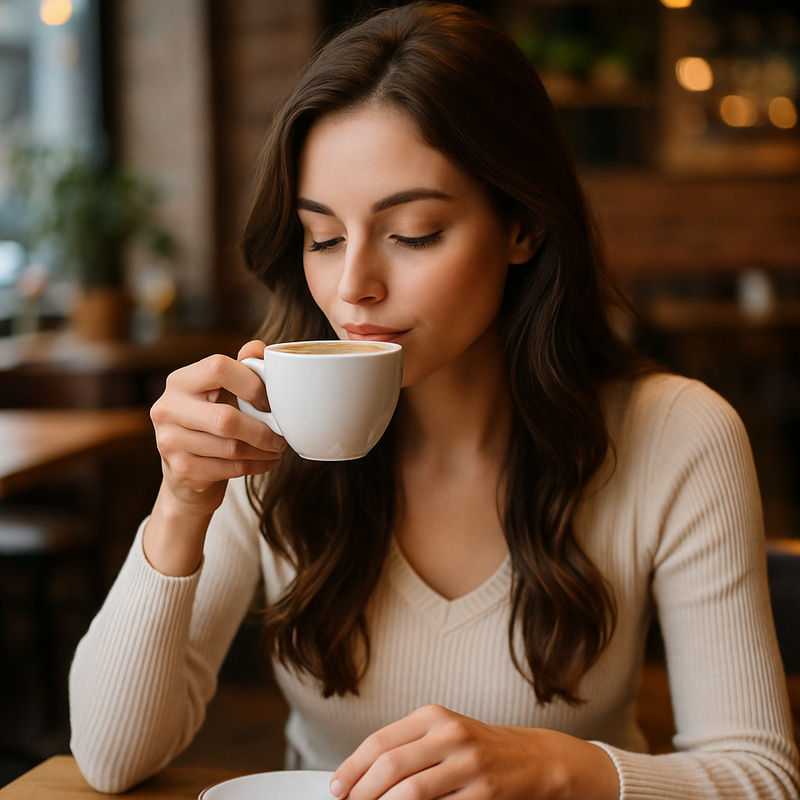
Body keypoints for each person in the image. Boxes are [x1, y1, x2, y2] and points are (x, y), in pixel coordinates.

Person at [69, 3, 800, 798]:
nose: (352, 288)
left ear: (522, 225)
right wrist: (179, 504)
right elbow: (108, 761)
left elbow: (760, 776)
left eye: (412, 232)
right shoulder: (263, 428)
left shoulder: (676, 434)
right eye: (322, 237)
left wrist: (560, 768)